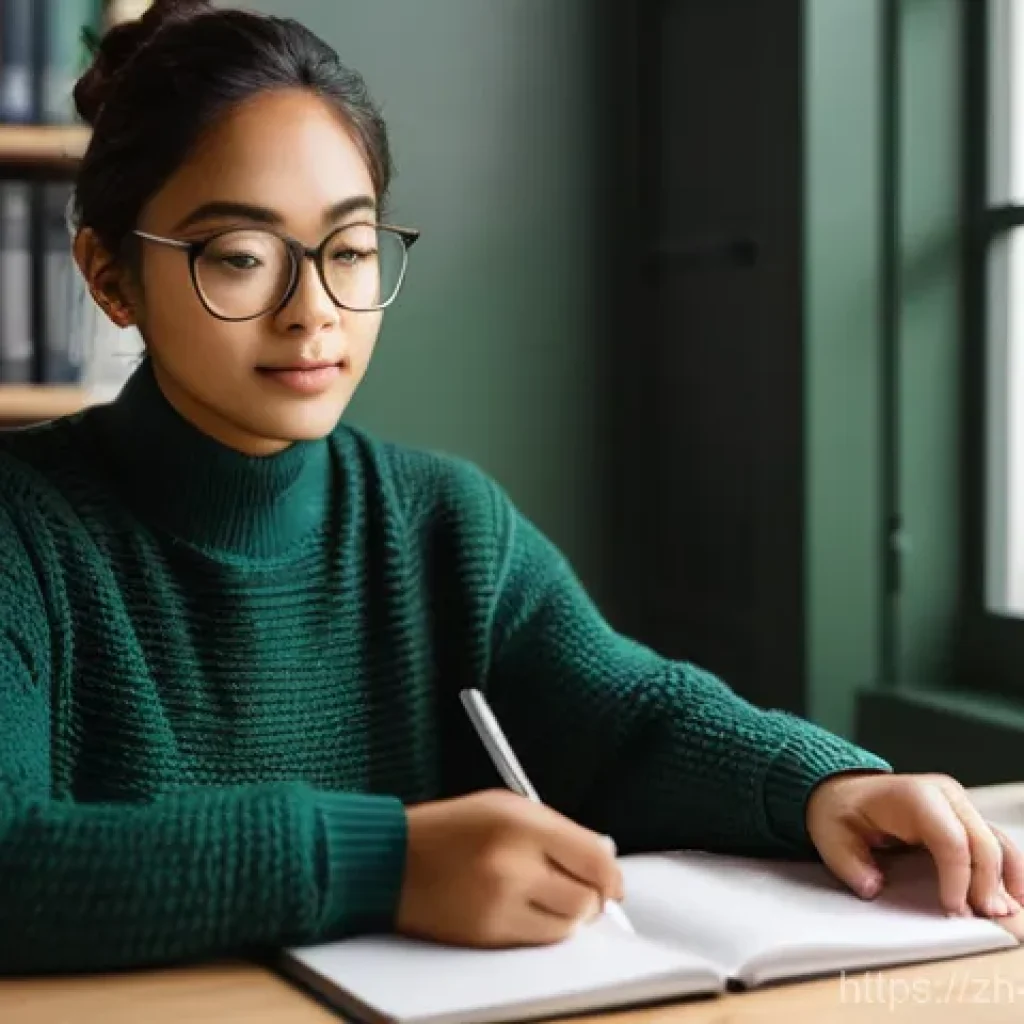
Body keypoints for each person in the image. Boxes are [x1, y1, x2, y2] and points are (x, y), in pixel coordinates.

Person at [0, 0, 1019, 976]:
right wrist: (385, 863)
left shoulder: (441, 520)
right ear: (109, 274)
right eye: (240, 256)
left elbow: (624, 715)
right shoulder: (23, 533)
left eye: (350, 249)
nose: (313, 309)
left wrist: (821, 784)